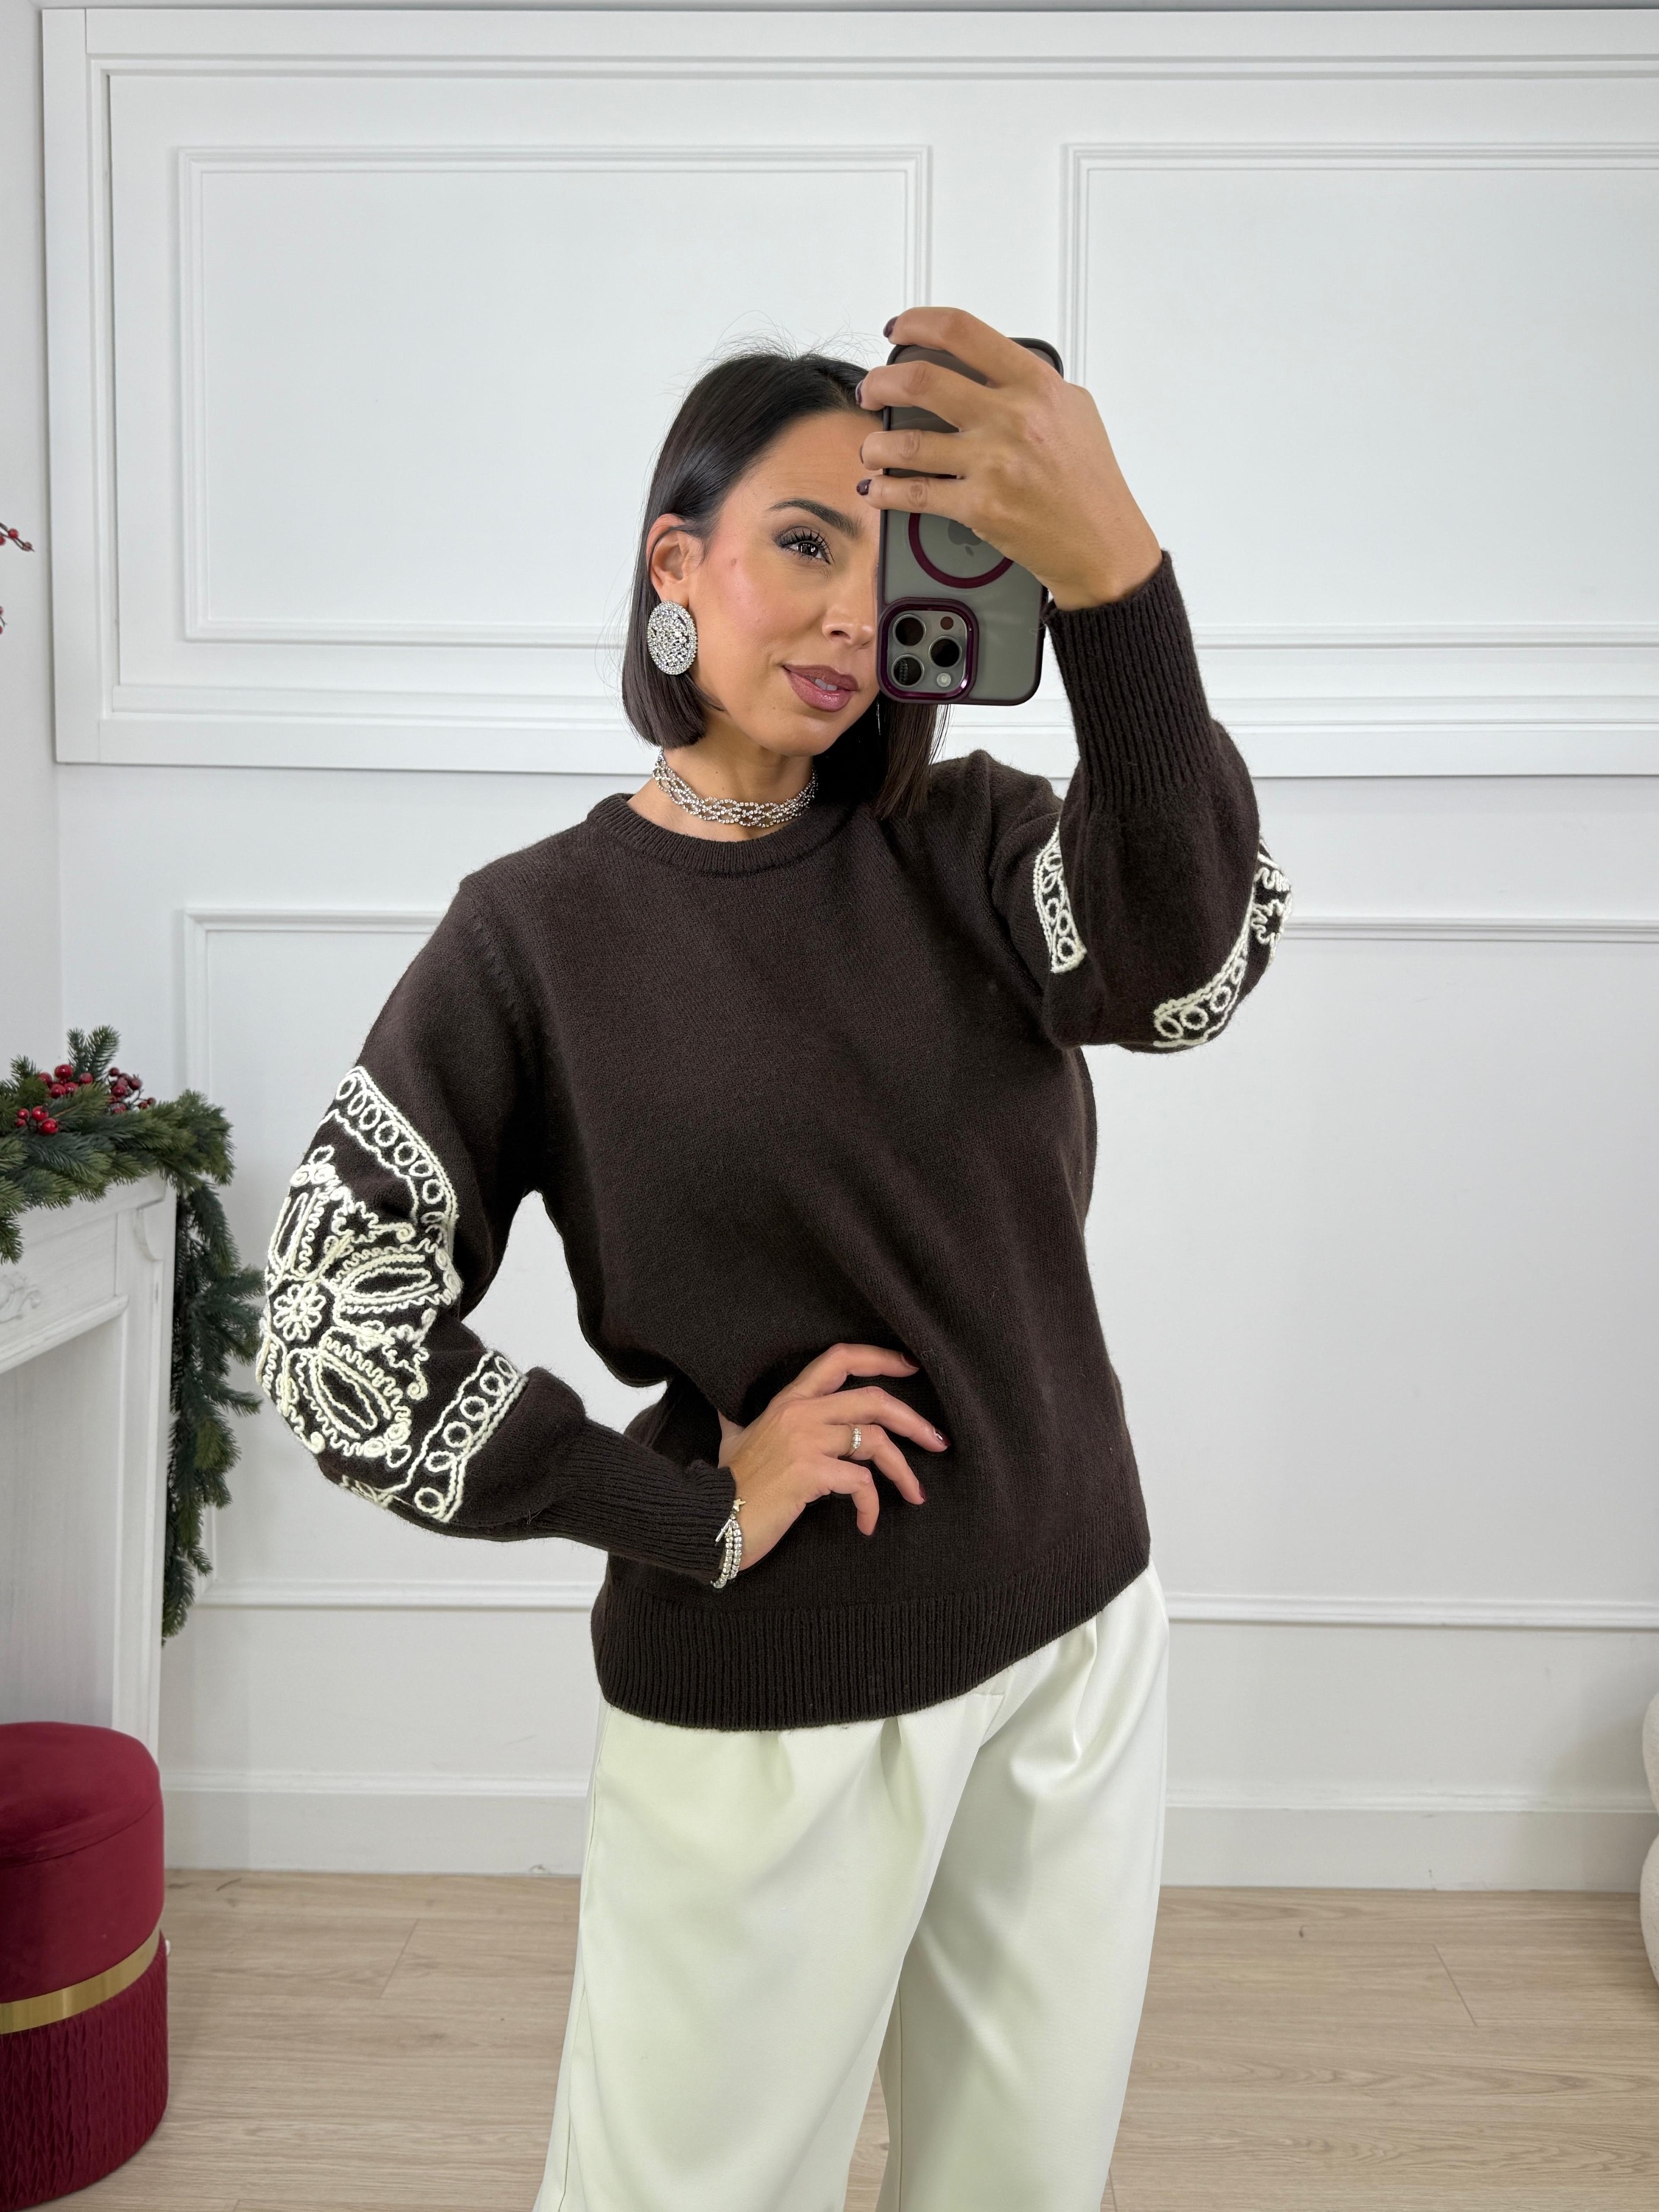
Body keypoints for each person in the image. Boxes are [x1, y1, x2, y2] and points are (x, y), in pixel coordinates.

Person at [256, 305, 1290, 2212]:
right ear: (679, 561)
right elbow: (334, 1325)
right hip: (768, 1703)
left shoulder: (969, 845)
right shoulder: (534, 940)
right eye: (804, 541)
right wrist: (683, 1505)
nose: (845, 615)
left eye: (894, 566)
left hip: (1077, 1645)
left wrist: (1116, 587)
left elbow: (1188, 958)